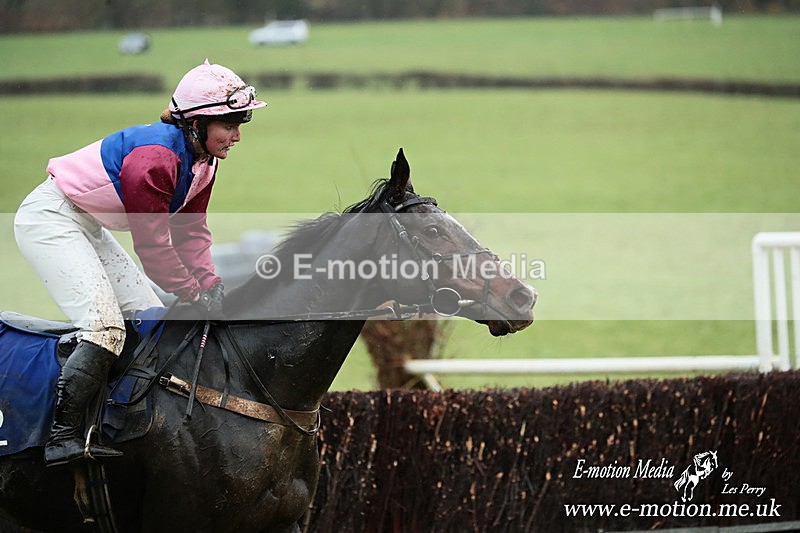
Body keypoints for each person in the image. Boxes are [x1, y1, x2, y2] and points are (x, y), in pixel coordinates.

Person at [13, 59, 266, 466]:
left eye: (240, 124)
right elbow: (154, 249)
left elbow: (191, 231)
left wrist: (211, 284)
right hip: (50, 219)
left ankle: (117, 417)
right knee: (106, 329)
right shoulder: (155, 159)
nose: (237, 136)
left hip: (89, 225)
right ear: (196, 123)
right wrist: (192, 292)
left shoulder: (204, 162)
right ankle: (61, 437)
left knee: (151, 319)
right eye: (229, 124)